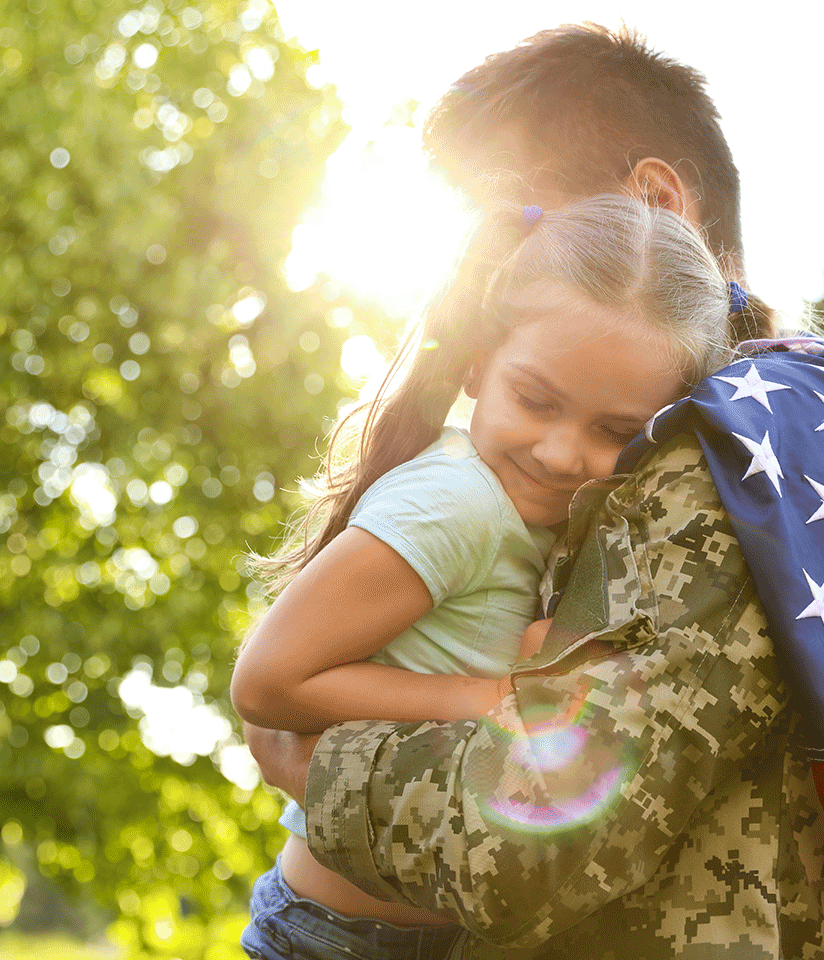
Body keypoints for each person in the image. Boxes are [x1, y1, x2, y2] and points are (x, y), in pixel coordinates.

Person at [246, 23, 824, 960]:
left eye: (521, 224)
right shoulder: (789, 440)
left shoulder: (735, 460)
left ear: (656, 201)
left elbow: (535, 846)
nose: (482, 281)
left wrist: (326, 763)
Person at [230, 193, 742, 960]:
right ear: (478, 362)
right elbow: (267, 683)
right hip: (336, 939)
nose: (563, 453)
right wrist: (477, 699)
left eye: (615, 432)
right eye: (536, 401)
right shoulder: (458, 502)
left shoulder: (540, 516)